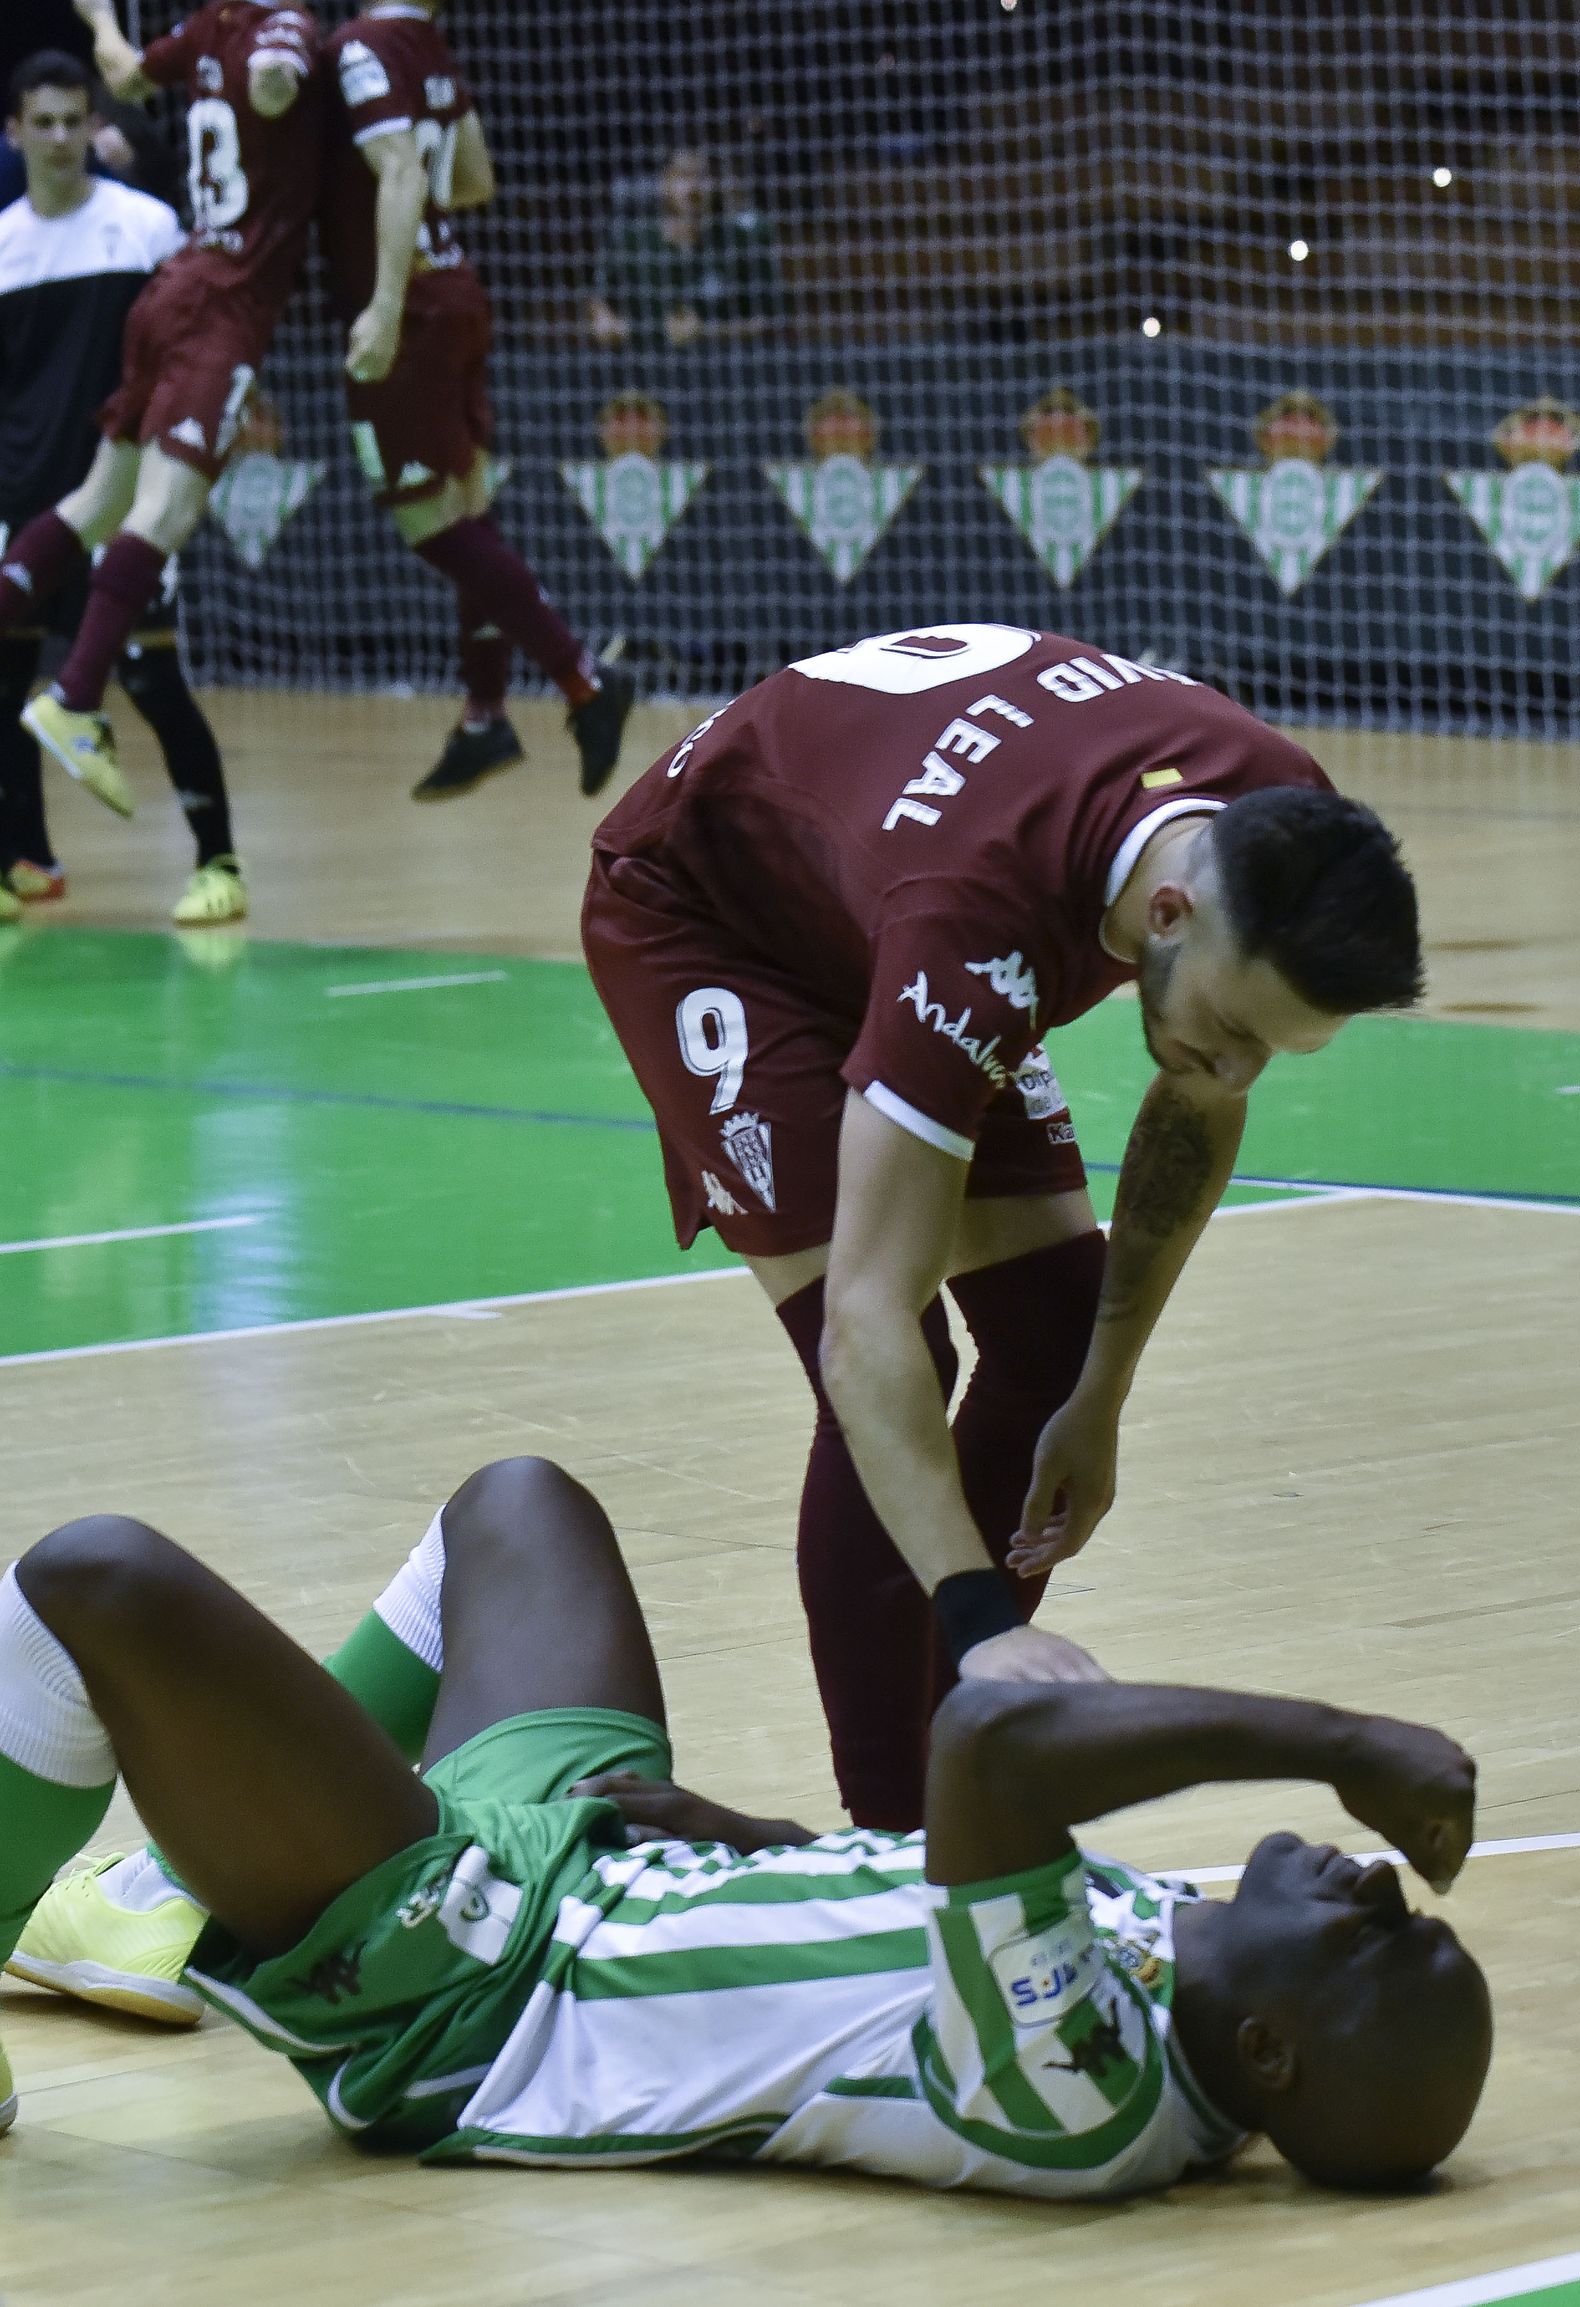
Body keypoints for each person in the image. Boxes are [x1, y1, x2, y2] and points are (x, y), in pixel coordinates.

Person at [1, 1454, 1490, 2194]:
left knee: (99, 1580)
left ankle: (188, 1869)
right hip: (605, 1867)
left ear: (1273, 2052)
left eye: (1380, 1939)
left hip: (471, 1993)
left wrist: (1342, 1740)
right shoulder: (1180, 1957)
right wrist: (765, 1847)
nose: (1370, 1881)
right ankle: (182, 1874)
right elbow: (895, 1956)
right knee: (519, 1505)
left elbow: (985, 1738)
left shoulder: (1084, 2092)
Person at [581, 623, 1425, 1831]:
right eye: (1230, 1029)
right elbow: (865, 1324)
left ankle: (958, 1757)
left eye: (1270, 1051)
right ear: (1170, 910)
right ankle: (897, 1837)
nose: (1235, 1070)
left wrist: (1102, 1401)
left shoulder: (1283, 829)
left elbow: (1196, 1102)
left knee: (1056, 1335)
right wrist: (977, 1615)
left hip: (880, 880)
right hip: (709, 910)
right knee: (896, 1357)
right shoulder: (977, 923)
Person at [0, 0, 320, 835]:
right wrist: (288, 86)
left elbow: (127, 73)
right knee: (163, 512)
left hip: (171, 285)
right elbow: (279, 80)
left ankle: (69, 694)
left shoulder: (208, 24)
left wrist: (101, 18)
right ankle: (73, 698)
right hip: (227, 302)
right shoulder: (282, 26)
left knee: (97, 502)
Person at [321, 1, 633, 803]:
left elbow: (403, 170)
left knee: (425, 519)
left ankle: (584, 680)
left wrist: (385, 300)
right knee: (469, 507)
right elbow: (475, 180)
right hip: (458, 287)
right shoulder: (427, 44)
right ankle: (485, 713)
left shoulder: (359, 45)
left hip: (412, 306)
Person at [0, 51, 247, 926]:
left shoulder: (146, 227)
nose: (63, 138)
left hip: (124, 498)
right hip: (26, 502)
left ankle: (218, 860)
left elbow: (194, 358)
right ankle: (23, 859)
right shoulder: (4, 244)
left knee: (150, 677)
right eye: (46, 122)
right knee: (7, 676)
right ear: (16, 131)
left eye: (76, 120)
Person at [588, 144, 782, 351]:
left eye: (702, 176)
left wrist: (705, 331)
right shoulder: (632, 241)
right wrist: (605, 321)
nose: (692, 188)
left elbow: (768, 322)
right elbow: (598, 300)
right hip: (643, 371)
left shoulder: (741, 243)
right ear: (666, 181)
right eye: (683, 176)